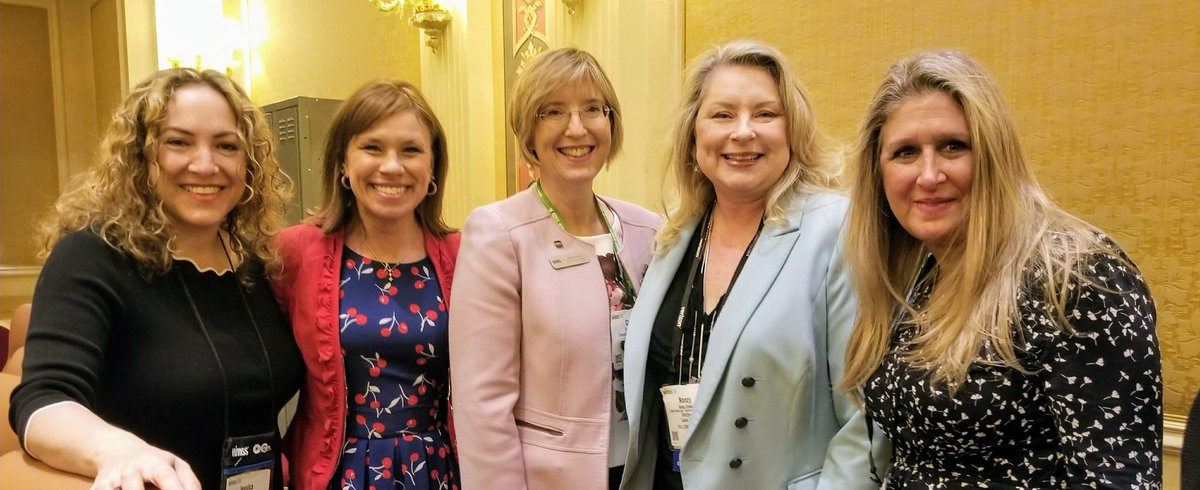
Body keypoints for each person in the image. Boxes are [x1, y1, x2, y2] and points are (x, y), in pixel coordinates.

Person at [840, 49, 1162, 488]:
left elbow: (1116, 477)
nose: (929, 174)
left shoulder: (1075, 277)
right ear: (878, 172)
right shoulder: (921, 269)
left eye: (953, 146)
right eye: (906, 152)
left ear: (995, 153)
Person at [8, 68, 303, 490]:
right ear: (141, 156)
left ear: (248, 164)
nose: (205, 164)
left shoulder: (257, 264)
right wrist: (118, 450)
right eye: (178, 142)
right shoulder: (91, 257)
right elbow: (43, 401)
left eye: (226, 146)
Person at [620, 40, 877, 489]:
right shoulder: (676, 236)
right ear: (693, 135)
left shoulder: (835, 230)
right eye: (721, 115)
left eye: (765, 114)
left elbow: (865, 420)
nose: (742, 132)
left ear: (792, 130)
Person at [448, 48, 661, 490]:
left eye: (592, 109)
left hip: (645, 470)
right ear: (528, 131)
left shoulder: (649, 229)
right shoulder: (499, 233)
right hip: (552, 478)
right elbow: (482, 405)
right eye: (554, 111)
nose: (577, 128)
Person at [272, 80, 460, 490]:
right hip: (337, 473)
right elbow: (257, 371)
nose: (391, 166)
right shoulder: (294, 253)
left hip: (439, 470)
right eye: (372, 148)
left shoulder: (465, 254)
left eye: (411, 150)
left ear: (432, 167)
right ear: (342, 162)